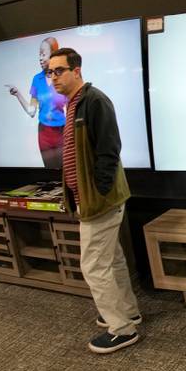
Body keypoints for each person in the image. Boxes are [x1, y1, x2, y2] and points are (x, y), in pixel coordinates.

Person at [48, 47, 141, 354]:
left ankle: (122, 329)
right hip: (91, 199)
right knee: (111, 260)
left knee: (92, 266)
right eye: (49, 72)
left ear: (77, 70)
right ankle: (128, 313)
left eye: (59, 71)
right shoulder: (74, 104)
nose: (53, 78)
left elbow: (109, 150)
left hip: (100, 200)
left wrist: (99, 193)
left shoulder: (94, 100)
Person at [5, 37, 67, 168]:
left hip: (63, 133)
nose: (40, 58)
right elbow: (31, 111)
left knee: (67, 172)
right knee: (50, 172)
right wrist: (17, 94)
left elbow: (72, 108)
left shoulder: (63, 78)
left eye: (43, 54)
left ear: (53, 55)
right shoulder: (37, 80)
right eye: (39, 54)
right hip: (44, 133)